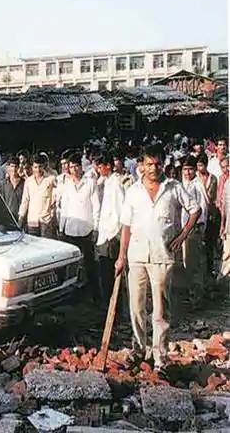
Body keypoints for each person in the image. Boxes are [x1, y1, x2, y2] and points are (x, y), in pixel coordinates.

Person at [115, 145, 200, 369]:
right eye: (149, 164)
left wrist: (182, 236)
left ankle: (160, 357)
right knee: (136, 306)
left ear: (164, 164)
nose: (153, 168)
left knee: (161, 309)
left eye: (157, 163)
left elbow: (195, 210)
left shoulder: (173, 187)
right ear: (141, 166)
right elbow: (126, 226)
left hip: (163, 256)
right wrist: (121, 257)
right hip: (136, 256)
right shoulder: (133, 191)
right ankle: (138, 349)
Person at [59, 152, 100, 300]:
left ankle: (95, 296)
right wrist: (61, 228)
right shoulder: (67, 185)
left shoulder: (90, 183)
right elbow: (64, 208)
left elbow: (96, 207)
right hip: (69, 230)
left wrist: (95, 228)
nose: (74, 170)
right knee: (71, 265)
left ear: (81, 167)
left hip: (86, 230)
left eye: (76, 166)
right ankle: (72, 295)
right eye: (71, 167)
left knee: (90, 264)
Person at [96, 152, 125, 302]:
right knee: (104, 273)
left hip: (112, 235)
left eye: (100, 166)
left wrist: (115, 234)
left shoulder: (116, 183)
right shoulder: (105, 182)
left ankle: (115, 307)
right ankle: (108, 304)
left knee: (111, 274)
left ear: (108, 166)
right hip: (104, 234)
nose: (98, 169)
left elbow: (120, 211)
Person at [180, 155, 208, 307]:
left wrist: (199, 228)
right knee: (186, 263)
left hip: (194, 229)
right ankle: (190, 294)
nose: (187, 172)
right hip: (183, 229)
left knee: (193, 264)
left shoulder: (197, 185)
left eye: (190, 169)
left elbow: (203, 208)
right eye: (185, 169)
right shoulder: (183, 184)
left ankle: (197, 297)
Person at [18, 154, 57, 238]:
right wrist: (21, 217)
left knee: (45, 244)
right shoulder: (28, 181)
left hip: (46, 221)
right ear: (32, 168)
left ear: (43, 166)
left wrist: (52, 215)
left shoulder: (50, 179)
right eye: (35, 167)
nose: (38, 170)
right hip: (32, 220)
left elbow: (56, 198)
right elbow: (25, 201)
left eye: (40, 167)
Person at [196, 154, 218, 274]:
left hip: (209, 213)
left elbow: (212, 197)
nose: (199, 168)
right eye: (198, 165)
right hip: (197, 214)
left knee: (209, 241)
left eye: (201, 165)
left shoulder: (213, 179)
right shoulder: (195, 179)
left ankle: (209, 268)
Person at [220, 176, 230, 281]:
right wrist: (222, 224)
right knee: (227, 253)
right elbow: (224, 206)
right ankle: (223, 278)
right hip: (229, 226)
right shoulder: (228, 183)